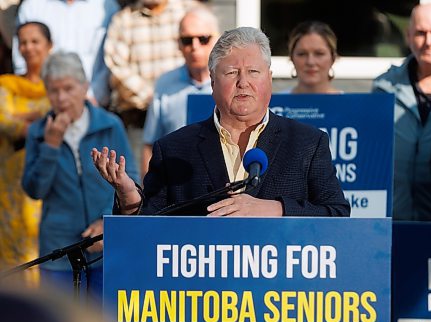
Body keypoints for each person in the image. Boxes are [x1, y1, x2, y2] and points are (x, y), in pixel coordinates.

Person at [92, 27, 350, 218]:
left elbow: (337, 213)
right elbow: (150, 224)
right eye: (231, 73)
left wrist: (274, 208)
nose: (243, 82)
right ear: (213, 82)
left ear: (269, 79)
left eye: (253, 72)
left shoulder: (308, 143)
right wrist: (128, 196)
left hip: (281, 288)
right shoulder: (173, 149)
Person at [21, 51, 139, 296]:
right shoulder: (39, 132)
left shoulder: (109, 124)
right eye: (53, 90)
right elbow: (34, 190)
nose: (61, 98)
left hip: (106, 247)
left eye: (69, 88)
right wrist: (51, 145)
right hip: (58, 249)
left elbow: (132, 179)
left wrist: (108, 221)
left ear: (84, 86)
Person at [372, 3, 431, 221]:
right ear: (408, 35)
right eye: (421, 33)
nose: (428, 42)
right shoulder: (384, 87)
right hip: (395, 221)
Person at [104, 0, 197, 168]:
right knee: (139, 182)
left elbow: (204, 56)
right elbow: (116, 66)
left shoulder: (188, 11)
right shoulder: (124, 20)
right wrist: (154, 96)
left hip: (180, 117)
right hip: (138, 118)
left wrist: (166, 96)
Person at [0, 21, 52, 285]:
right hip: (10, 180)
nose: (28, 47)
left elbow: (61, 116)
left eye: (35, 41)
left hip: (49, 177)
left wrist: (23, 118)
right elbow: (4, 123)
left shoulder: (58, 85)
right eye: (23, 42)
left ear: (49, 46)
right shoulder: (7, 84)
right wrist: (40, 120)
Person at [142, 5, 219, 177]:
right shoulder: (165, 84)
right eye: (187, 40)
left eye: (203, 39)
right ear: (178, 43)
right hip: (172, 184)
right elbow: (149, 144)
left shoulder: (231, 82)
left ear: (217, 40)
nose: (195, 46)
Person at [13, 0, 120, 106]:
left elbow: (113, 60)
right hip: (42, 104)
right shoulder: (32, 6)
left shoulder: (106, 6)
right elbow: (22, 63)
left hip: (95, 103)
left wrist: (90, 97)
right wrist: (46, 100)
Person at [286, 20, 341, 94]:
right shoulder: (272, 104)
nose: (310, 62)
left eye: (319, 54)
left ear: (333, 58)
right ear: (292, 58)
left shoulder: (350, 104)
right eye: (302, 54)